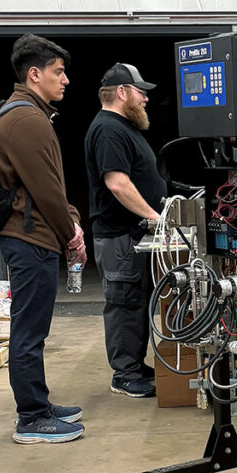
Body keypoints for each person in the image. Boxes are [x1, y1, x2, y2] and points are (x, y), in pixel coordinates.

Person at [0, 34, 86, 444]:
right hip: (29, 238)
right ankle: (30, 418)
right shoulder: (24, 120)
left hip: (34, 236)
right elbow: (46, 190)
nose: (65, 79)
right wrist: (72, 236)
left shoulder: (30, 113)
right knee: (28, 332)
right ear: (34, 74)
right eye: (58, 71)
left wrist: (69, 221)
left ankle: (40, 403)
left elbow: (50, 185)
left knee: (35, 329)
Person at [84, 63, 165, 399]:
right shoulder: (108, 130)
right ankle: (124, 373)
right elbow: (117, 183)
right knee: (124, 303)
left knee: (138, 302)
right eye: (139, 91)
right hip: (120, 236)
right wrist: (155, 217)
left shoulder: (121, 127)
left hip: (132, 235)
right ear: (121, 93)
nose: (145, 98)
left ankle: (134, 363)